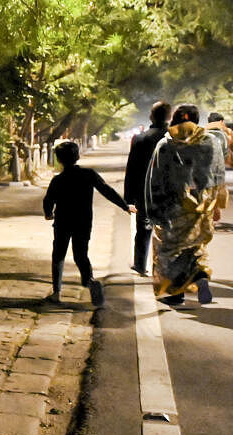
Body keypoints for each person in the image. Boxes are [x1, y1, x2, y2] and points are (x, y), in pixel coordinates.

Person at [146, 104, 226, 305]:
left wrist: (153, 210)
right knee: (194, 247)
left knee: (171, 251)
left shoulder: (165, 145)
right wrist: (215, 206)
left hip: (173, 208)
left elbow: (155, 180)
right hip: (200, 206)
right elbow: (217, 177)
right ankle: (200, 277)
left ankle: (175, 295)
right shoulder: (210, 142)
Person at [43, 141, 133, 305]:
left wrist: (48, 214)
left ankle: (56, 293)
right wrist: (125, 206)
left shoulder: (58, 180)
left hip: (63, 222)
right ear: (77, 156)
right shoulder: (88, 174)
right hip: (83, 221)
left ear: (59, 159)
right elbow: (107, 190)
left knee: (58, 255)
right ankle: (90, 281)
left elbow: (48, 200)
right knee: (81, 255)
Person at [124, 101, 171, 275]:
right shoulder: (174, 138)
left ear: (151, 116)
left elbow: (132, 170)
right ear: (169, 117)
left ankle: (140, 264)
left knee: (143, 231)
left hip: (144, 193)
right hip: (168, 194)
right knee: (166, 232)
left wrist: (128, 199)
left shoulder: (140, 138)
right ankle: (162, 268)